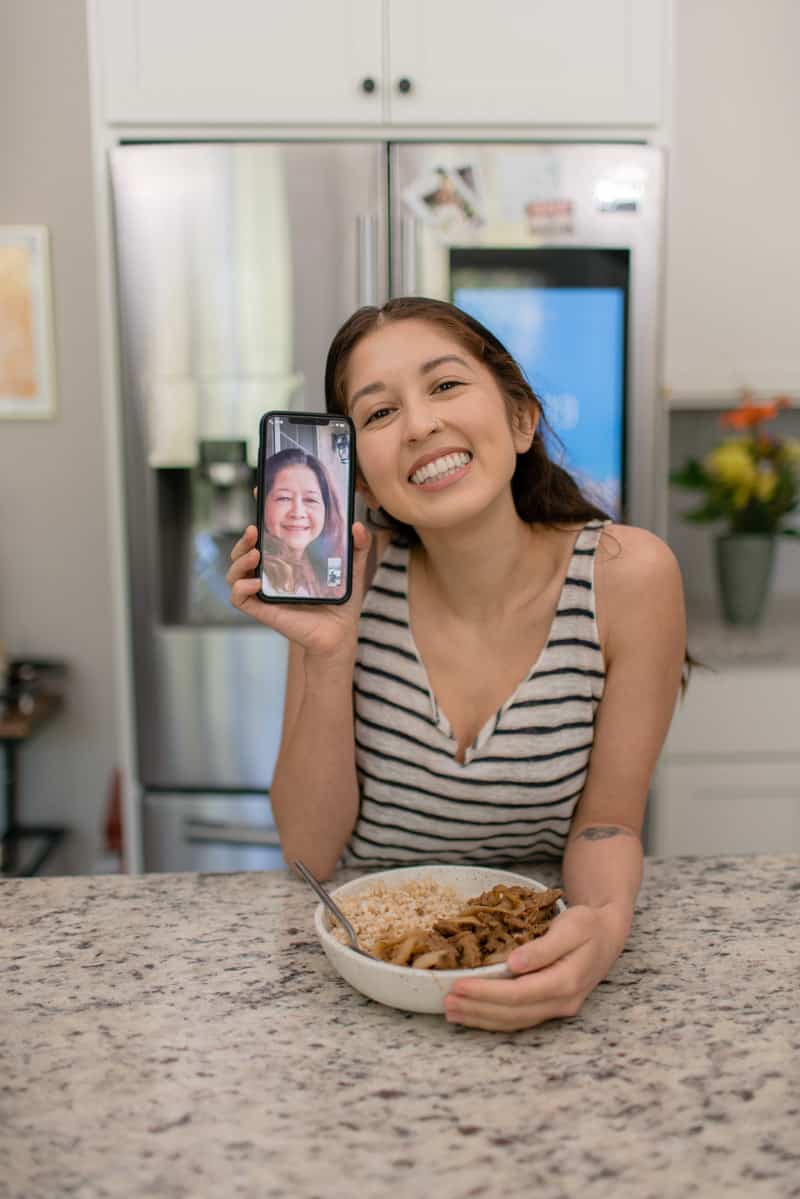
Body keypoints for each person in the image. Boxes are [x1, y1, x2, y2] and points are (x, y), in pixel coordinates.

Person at [228, 297, 687, 1031]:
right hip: (370, 974)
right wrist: (328, 651)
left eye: (445, 386)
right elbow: (309, 849)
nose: (418, 424)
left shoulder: (627, 577)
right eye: (378, 414)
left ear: (521, 419)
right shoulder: (348, 588)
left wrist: (602, 927)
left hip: (526, 955)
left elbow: (606, 824)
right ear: (365, 483)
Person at [259, 448, 345, 599]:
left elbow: (335, 593)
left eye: (310, 500)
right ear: (262, 503)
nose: (297, 512)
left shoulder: (332, 561)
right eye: (284, 498)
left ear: (327, 509)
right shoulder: (259, 575)